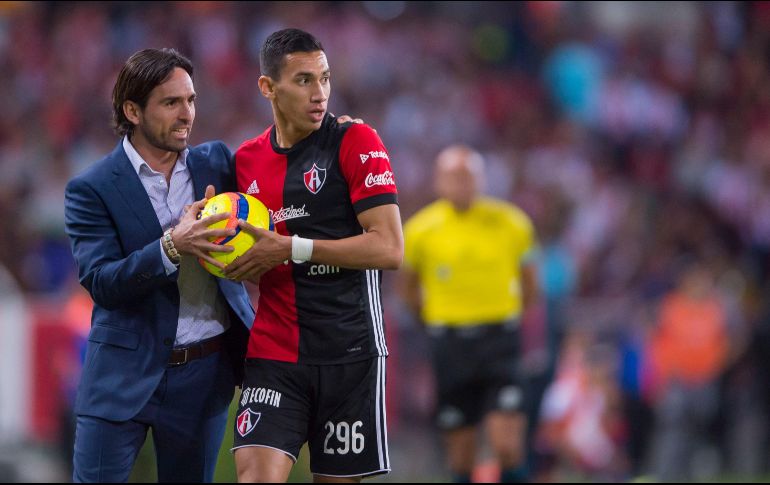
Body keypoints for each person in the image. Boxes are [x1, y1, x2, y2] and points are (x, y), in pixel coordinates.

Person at [63, 48, 255, 483]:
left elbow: (276, 163)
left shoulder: (217, 162)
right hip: (120, 378)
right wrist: (171, 246)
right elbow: (101, 282)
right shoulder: (90, 189)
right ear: (132, 110)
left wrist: (332, 135)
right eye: (171, 103)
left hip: (204, 375)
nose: (187, 114)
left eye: (191, 100)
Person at [222, 28, 403, 483]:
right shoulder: (245, 162)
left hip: (350, 353)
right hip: (274, 354)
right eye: (303, 80)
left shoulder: (356, 141)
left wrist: (293, 249)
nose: (319, 93)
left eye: (324, 78)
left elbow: (389, 247)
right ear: (268, 87)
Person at [400, 145, 540, 483]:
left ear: (482, 180)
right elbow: (409, 290)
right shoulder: (421, 230)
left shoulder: (512, 222)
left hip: (498, 341)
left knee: (506, 445)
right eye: (453, 176)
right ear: (438, 181)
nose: (461, 184)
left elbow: (530, 285)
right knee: (461, 456)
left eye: (468, 176)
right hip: (450, 345)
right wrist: (436, 319)